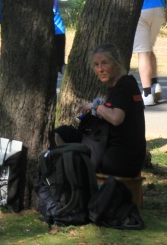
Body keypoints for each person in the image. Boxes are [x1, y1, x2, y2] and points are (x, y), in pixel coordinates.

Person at [55, 43, 146, 178]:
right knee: (62, 133)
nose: (100, 69)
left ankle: (78, 188)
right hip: (126, 156)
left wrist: (96, 107)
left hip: (120, 159)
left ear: (118, 62)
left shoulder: (124, 86)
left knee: (72, 152)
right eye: (96, 65)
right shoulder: (123, 85)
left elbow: (116, 118)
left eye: (104, 63)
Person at [0, 0, 67, 74]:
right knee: (60, 64)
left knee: (37, 64)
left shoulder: (4, 1)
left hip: (38, 34)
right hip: (59, 32)